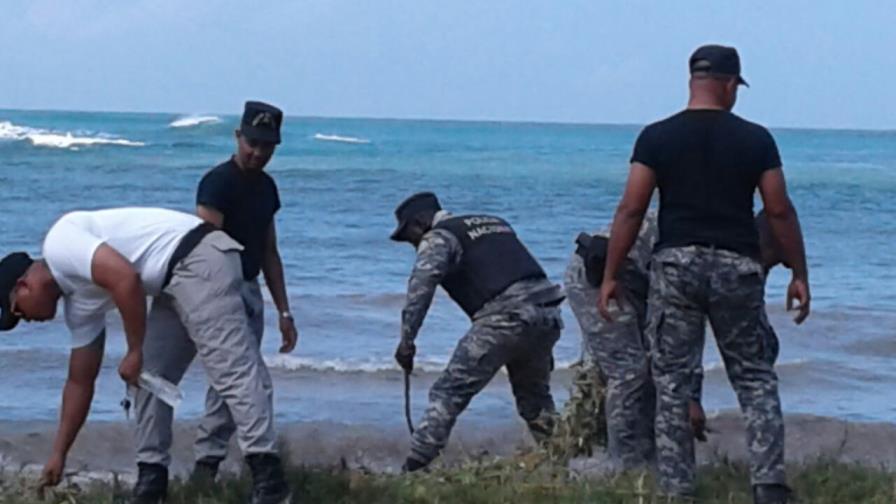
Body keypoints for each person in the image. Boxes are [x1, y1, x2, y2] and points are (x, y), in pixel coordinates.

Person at [598, 44, 810, 504]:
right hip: (737, 266)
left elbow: (632, 208)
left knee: (672, 382)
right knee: (754, 377)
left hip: (676, 265)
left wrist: (612, 273)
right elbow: (778, 210)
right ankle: (769, 486)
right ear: (731, 84)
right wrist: (799, 272)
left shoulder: (656, 137)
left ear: (692, 81)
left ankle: (677, 490)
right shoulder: (756, 139)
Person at [0, 208, 291, 504]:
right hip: (171, 279)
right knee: (148, 376)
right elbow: (79, 382)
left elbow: (126, 279)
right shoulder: (79, 307)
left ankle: (270, 481)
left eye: (17, 311)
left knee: (232, 371)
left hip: (199, 256)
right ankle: (152, 481)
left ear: (23, 285)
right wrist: (58, 454)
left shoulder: (60, 243)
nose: (25, 320)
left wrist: (134, 350)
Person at [390, 192, 565, 472]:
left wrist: (406, 341)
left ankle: (415, 468)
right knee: (535, 399)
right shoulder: (493, 222)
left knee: (448, 393)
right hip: (548, 313)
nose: (413, 245)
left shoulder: (438, 238)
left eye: (410, 236)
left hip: (505, 317)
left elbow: (420, 289)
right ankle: (561, 463)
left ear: (420, 222)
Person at [192, 100, 297, 479]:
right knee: (246, 380)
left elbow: (269, 251)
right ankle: (249, 468)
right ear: (238, 137)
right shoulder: (217, 183)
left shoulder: (267, 188)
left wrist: (284, 311)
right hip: (218, 292)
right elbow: (206, 250)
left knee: (230, 383)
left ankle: (207, 464)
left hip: (251, 291)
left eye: (266, 146)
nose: (257, 153)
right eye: (251, 143)